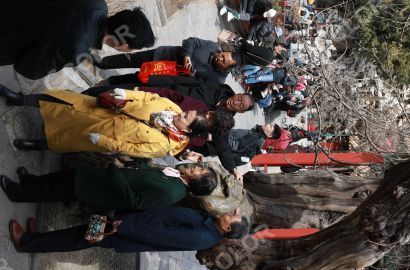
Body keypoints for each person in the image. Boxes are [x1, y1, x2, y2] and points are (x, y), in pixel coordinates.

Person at [0, 86, 205, 158]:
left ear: (187, 131)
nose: (180, 114)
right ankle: (19, 98)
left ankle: (34, 145)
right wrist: (126, 93)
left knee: (66, 139)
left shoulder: (163, 146)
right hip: (104, 108)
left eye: (185, 118)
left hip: (104, 132)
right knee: (62, 101)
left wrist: (102, 142)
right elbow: (148, 97)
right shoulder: (172, 108)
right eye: (186, 112)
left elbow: (128, 149)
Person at [0, 0, 155, 79]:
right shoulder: (77, 50)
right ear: (124, 45)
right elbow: (27, 68)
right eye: (131, 50)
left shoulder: (95, 2)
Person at [8, 207, 249, 254]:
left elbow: (158, 234)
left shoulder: (202, 235)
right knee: (80, 231)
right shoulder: (208, 224)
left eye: (231, 216)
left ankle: (28, 243)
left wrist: (126, 226)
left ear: (227, 228)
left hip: (121, 231)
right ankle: (38, 237)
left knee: (78, 238)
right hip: (126, 223)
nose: (228, 212)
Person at [0, 162, 218, 211]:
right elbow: (147, 171)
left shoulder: (173, 192)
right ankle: (30, 180)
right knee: (63, 176)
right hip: (99, 175)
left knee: (55, 191)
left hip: (100, 188)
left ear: (195, 181)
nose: (195, 167)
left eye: (199, 171)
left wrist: (116, 174)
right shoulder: (176, 175)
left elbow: (134, 201)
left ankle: (17, 193)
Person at [96, 37, 241, 85]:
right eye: (223, 54)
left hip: (166, 75)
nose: (219, 57)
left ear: (226, 68)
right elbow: (190, 41)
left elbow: (198, 86)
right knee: (132, 59)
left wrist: (191, 76)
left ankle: (109, 82)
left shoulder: (218, 79)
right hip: (163, 55)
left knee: (137, 78)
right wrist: (187, 56)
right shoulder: (213, 46)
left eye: (223, 60)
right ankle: (103, 63)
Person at [84, 78, 256, 113]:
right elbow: (189, 81)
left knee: (118, 107)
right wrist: (156, 81)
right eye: (240, 98)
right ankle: (85, 94)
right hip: (160, 90)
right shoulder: (219, 88)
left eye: (241, 105)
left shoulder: (222, 118)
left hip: (159, 111)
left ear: (240, 112)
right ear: (238, 93)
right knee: (117, 91)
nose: (236, 102)